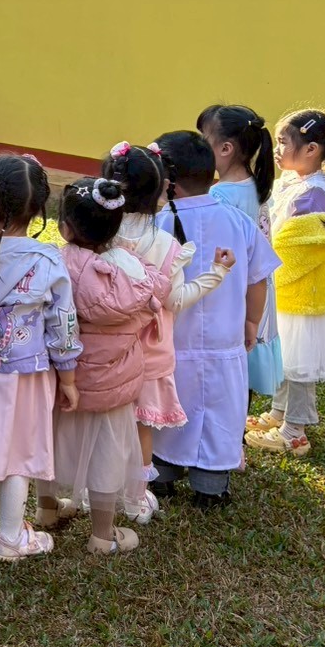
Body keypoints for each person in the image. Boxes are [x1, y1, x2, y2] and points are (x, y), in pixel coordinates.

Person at [102, 141, 233, 524]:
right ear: (162, 188)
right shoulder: (165, 244)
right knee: (143, 427)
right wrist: (216, 273)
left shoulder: (99, 235)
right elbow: (175, 300)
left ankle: (100, 492)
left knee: (107, 427)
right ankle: (137, 498)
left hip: (105, 350)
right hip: (151, 353)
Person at [150, 131, 280, 507]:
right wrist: (252, 323)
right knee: (222, 413)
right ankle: (211, 487)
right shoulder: (239, 222)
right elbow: (258, 279)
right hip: (226, 343)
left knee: (169, 407)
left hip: (171, 343)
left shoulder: (157, 225)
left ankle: (162, 475)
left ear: (167, 182)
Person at [0, 154, 81, 562]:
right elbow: (64, 325)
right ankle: (12, 537)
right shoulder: (48, 260)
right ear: (39, 210)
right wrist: (68, 378)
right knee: (19, 452)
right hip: (28, 376)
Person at [42, 176, 165, 556]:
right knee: (107, 456)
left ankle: (47, 509)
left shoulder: (54, 261)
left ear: (65, 227)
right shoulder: (130, 268)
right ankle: (102, 534)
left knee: (50, 442)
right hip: (114, 385)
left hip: (63, 381)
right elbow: (159, 288)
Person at [245, 111, 325, 458]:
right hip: (287, 289)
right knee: (286, 357)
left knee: (298, 365)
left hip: (301, 294)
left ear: (311, 149)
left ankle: (294, 431)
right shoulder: (294, 183)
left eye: (283, 142)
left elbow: (294, 248)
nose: (276, 149)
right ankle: (279, 413)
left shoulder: (314, 195)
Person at [197, 105, 283, 397]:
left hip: (233, 292)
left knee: (227, 378)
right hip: (257, 291)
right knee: (242, 376)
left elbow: (215, 251)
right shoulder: (256, 185)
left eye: (203, 139)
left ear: (225, 148)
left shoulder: (219, 194)